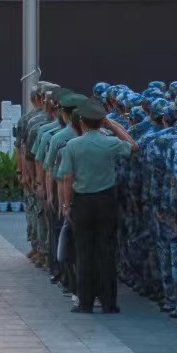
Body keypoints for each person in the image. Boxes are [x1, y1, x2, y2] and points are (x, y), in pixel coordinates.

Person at [55, 97, 138, 313]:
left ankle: (86, 302)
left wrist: (66, 206)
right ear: (100, 121)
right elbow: (133, 146)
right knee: (107, 252)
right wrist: (113, 125)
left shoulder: (73, 145)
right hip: (106, 201)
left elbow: (67, 178)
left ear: (81, 121)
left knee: (84, 252)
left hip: (82, 202)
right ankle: (109, 302)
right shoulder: (110, 142)